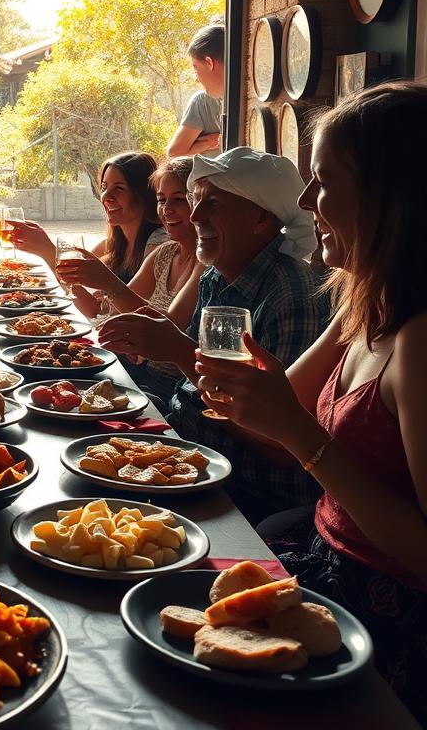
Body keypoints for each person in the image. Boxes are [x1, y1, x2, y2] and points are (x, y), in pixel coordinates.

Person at [192, 84, 427, 720]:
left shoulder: (419, 342)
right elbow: (278, 409)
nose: (304, 202)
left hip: (383, 616)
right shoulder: (360, 302)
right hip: (316, 563)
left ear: (390, 197)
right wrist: (249, 400)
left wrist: (302, 436)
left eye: (321, 182)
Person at [97, 147, 329, 521]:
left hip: (245, 494)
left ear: (259, 219)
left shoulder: (291, 296)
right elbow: (200, 387)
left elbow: (281, 446)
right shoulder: (217, 273)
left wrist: (179, 350)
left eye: (213, 204)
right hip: (190, 449)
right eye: (196, 201)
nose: (195, 215)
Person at [54, 156, 204, 401]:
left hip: (171, 390)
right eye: (162, 200)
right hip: (140, 372)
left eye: (179, 200)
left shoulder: (205, 263)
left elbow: (167, 331)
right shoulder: (164, 253)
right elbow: (111, 314)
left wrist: (109, 284)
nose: (167, 210)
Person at [9, 151, 166, 305]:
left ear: (144, 194)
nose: (106, 197)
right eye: (104, 187)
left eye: (119, 188)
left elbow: (101, 312)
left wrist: (48, 251)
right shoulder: (108, 246)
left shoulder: (158, 246)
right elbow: (81, 298)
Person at [167, 23, 225, 158]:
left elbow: (174, 153)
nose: (196, 79)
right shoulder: (203, 102)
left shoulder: (203, 102)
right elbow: (174, 154)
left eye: (195, 67)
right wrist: (210, 143)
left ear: (209, 63)